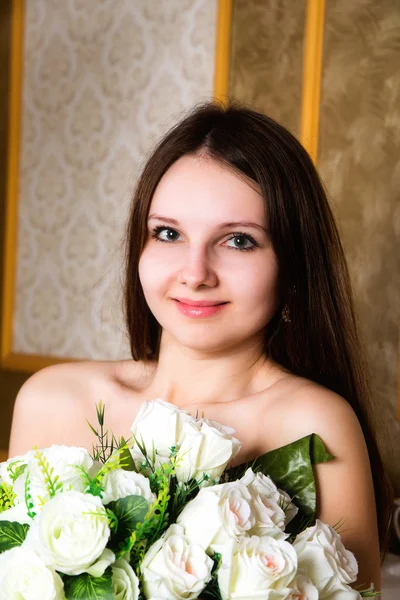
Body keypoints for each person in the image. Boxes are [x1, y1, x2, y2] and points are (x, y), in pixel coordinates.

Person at [8, 100, 393, 592]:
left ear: (294, 265)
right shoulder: (52, 401)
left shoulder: (314, 426)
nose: (194, 274)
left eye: (238, 242)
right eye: (168, 233)